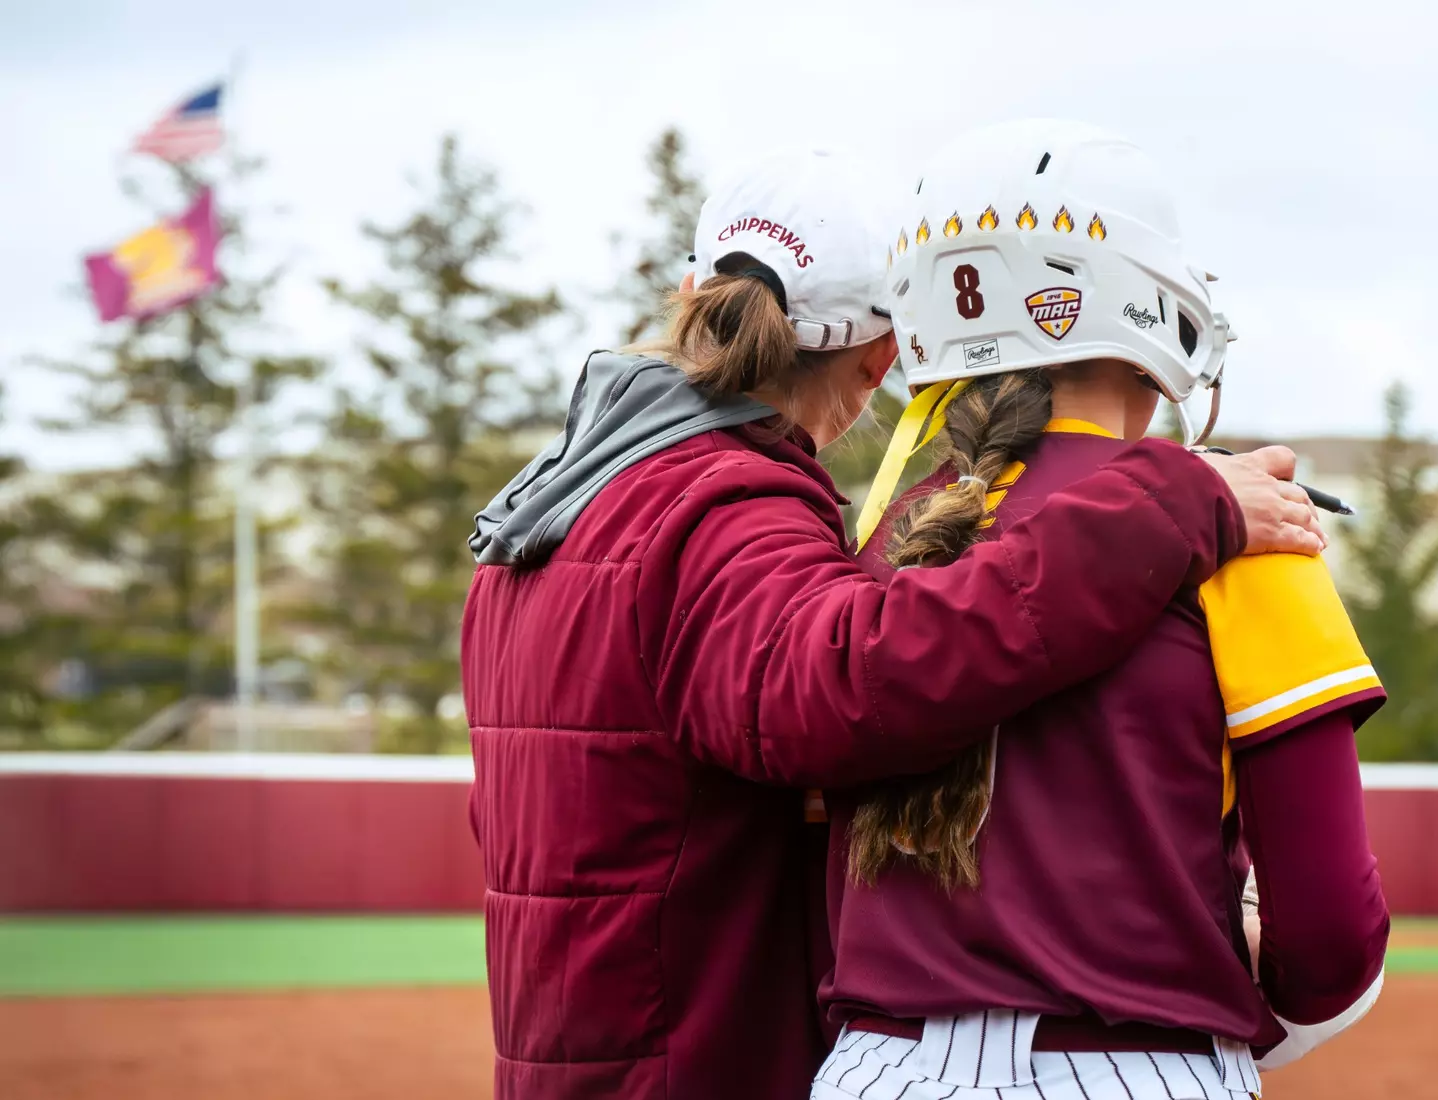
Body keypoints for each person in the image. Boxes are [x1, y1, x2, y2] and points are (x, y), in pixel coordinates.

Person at [461, 146, 1325, 1100]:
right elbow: (851, 682)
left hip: (572, 1050)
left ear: (689, 291)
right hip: (693, 1059)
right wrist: (1170, 503)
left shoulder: (546, 518)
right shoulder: (715, 512)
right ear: (882, 357)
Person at [815, 121, 1390, 1100]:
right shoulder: (1243, 525)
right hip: (1134, 1066)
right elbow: (1331, 932)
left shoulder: (867, 547)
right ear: (1148, 302)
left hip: (874, 1069)